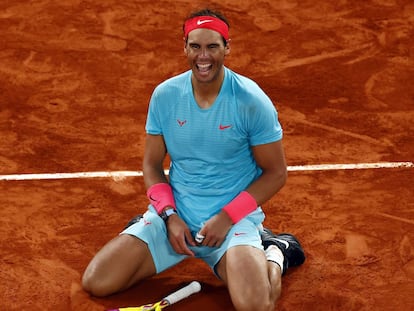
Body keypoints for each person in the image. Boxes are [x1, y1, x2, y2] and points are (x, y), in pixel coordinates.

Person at [82, 8, 305, 311]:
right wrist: (169, 215)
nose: (204, 56)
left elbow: (276, 172)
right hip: (178, 221)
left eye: (213, 46)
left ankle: (276, 251)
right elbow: (151, 165)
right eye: (196, 46)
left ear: (227, 48)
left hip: (231, 223)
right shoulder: (165, 96)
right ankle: (150, 228)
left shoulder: (251, 101)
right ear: (184, 47)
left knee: (256, 305)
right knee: (97, 281)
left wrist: (226, 217)